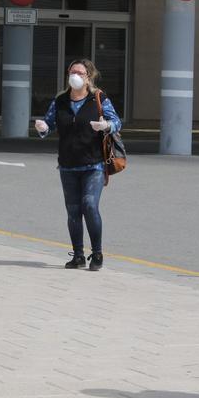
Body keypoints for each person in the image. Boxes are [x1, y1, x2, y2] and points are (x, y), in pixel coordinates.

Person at [34, 59, 122, 271]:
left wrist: (106, 125)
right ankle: (78, 255)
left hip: (94, 164)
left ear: (88, 77)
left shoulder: (98, 98)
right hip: (68, 165)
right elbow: (49, 126)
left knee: (89, 204)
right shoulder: (61, 101)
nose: (75, 75)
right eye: (72, 72)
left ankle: (97, 253)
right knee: (73, 211)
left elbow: (116, 122)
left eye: (80, 73)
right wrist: (42, 127)